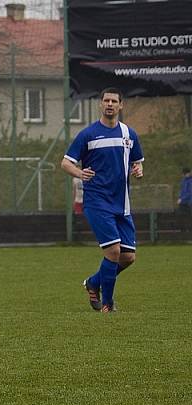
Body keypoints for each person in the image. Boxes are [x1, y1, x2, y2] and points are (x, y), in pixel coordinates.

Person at [61, 87, 144, 313]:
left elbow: (137, 161)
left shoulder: (129, 134)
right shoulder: (88, 134)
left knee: (128, 257)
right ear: (101, 104)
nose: (109, 104)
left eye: (114, 101)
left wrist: (138, 169)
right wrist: (80, 173)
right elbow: (66, 163)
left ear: (120, 105)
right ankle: (107, 304)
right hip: (97, 202)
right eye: (106, 100)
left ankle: (94, 283)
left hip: (122, 204)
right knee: (114, 252)